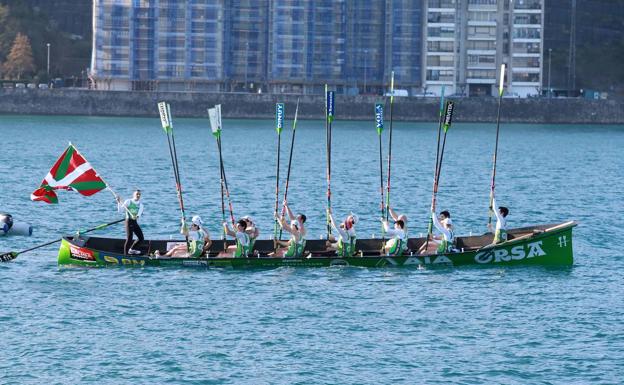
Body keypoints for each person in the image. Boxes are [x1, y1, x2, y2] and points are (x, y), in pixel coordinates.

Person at [116, 189, 144, 255]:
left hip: (134, 222)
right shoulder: (128, 201)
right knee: (129, 238)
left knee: (141, 238)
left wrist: (136, 216)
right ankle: (125, 255)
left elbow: (139, 214)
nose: (138, 195)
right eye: (137, 194)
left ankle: (131, 250)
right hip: (128, 221)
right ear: (133, 195)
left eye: (139, 194)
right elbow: (120, 211)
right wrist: (118, 202)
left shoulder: (141, 205)